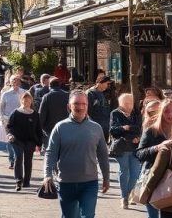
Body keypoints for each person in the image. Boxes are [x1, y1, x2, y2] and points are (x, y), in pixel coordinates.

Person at [42, 90, 111, 218]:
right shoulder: (60, 127)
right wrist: (47, 175)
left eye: (83, 104)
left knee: (88, 215)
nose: (80, 107)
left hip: (90, 183)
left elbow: (103, 155)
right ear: (69, 106)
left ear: (87, 105)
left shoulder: (96, 128)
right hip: (66, 182)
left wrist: (106, 177)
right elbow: (50, 152)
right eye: (76, 103)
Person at [136, 98, 172, 218]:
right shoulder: (151, 131)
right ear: (160, 112)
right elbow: (139, 154)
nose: (170, 115)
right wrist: (156, 148)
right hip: (153, 177)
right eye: (166, 111)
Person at [110, 93, 142, 210]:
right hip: (122, 147)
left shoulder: (136, 113)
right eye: (126, 103)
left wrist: (137, 136)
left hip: (135, 147)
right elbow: (113, 130)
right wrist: (124, 128)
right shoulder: (115, 113)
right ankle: (124, 197)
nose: (129, 105)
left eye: (131, 103)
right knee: (124, 171)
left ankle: (127, 194)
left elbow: (139, 127)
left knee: (135, 174)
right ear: (121, 104)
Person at [6, 91, 44, 191]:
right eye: (24, 99)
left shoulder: (35, 114)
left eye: (28, 100)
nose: (26, 101)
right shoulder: (16, 112)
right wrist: (10, 135)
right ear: (21, 100)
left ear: (31, 101)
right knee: (18, 158)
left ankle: (27, 181)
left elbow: (38, 129)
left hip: (30, 140)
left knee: (28, 160)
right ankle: (18, 181)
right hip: (17, 139)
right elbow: (9, 126)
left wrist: (39, 143)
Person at [0, 75, 26, 170]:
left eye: (17, 81)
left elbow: (28, 105)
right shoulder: (5, 94)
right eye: (13, 81)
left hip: (20, 121)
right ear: (10, 82)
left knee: (19, 140)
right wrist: (1, 118)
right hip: (8, 121)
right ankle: (12, 160)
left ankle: (18, 158)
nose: (15, 83)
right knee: (10, 140)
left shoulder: (23, 93)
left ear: (19, 82)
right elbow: (0, 107)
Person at [39, 78, 70, 151]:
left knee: (50, 151)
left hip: (50, 128)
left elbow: (42, 114)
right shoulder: (67, 95)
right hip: (65, 127)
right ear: (59, 85)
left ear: (50, 86)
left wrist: (40, 128)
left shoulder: (47, 96)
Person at [86, 75, 113, 140]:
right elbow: (88, 111)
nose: (108, 86)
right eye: (107, 83)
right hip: (95, 126)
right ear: (101, 83)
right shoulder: (90, 93)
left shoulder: (103, 93)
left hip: (105, 126)